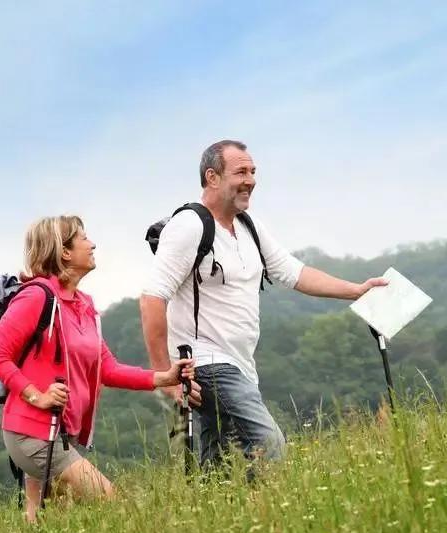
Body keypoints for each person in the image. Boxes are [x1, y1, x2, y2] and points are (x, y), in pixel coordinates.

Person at [140, 139, 387, 469]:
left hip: (241, 364)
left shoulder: (248, 225)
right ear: (212, 177)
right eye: (241, 171)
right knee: (270, 445)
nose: (251, 180)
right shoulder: (189, 226)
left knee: (216, 469)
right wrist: (164, 376)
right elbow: (151, 300)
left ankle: (230, 515)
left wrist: (355, 290)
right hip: (207, 363)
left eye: (253, 171)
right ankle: (272, 514)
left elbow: (292, 272)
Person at [0, 215, 195, 522]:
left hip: (61, 431)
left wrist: (163, 378)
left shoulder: (83, 304)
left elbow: (106, 368)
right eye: (83, 238)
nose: (92, 243)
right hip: (32, 431)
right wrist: (36, 396)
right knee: (115, 503)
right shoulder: (37, 296)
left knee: (44, 524)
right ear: (64, 251)